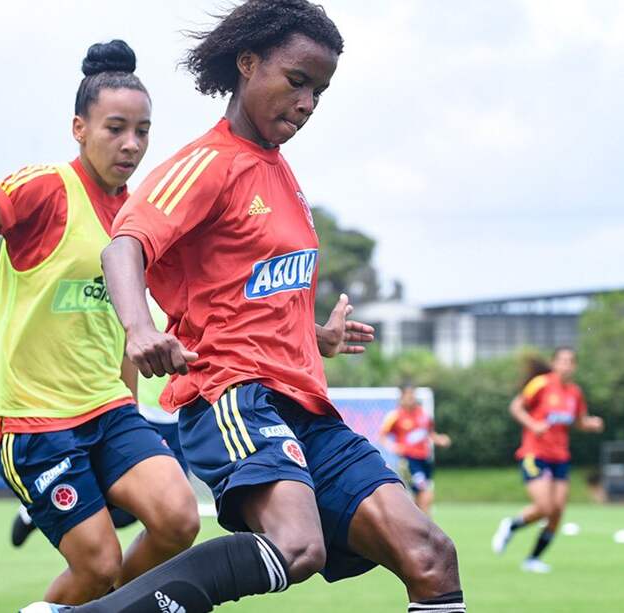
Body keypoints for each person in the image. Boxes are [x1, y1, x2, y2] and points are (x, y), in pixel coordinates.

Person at [34, 3, 465, 612]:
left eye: (319, 92)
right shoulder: (208, 163)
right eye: (297, 81)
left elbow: (247, 296)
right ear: (247, 63)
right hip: (234, 394)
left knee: (430, 555)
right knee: (296, 545)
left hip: (307, 405)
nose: (307, 103)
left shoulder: (282, 177)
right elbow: (123, 247)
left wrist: (315, 335)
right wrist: (138, 328)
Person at [0, 40, 200, 605]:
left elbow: (125, 323)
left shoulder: (139, 217)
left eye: (143, 131)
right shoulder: (45, 188)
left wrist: (129, 399)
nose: (131, 143)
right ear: (79, 128)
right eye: (115, 128)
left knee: (178, 519)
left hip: (109, 408)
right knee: (96, 565)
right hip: (33, 418)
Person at [11, 295, 187, 548]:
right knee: (135, 506)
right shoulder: (139, 305)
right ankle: (51, 511)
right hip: (146, 414)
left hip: (179, 417)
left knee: (169, 507)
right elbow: (124, 353)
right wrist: (132, 411)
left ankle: (67, 515)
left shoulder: (188, 300)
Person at [492, 347, 604, 573]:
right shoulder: (541, 384)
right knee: (544, 507)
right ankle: (511, 525)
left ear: (575, 366)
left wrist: (591, 424)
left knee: (557, 511)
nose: (566, 365)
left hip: (560, 456)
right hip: (534, 453)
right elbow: (516, 407)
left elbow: (579, 421)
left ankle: (532, 559)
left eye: (570, 361)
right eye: (562, 360)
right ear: (554, 363)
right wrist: (533, 425)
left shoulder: (574, 392)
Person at [379, 385, 451, 515]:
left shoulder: (423, 415)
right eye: (408, 396)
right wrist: (393, 446)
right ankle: (426, 522)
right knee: (425, 492)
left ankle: (418, 521)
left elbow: (430, 434)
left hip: (425, 459)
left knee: (419, 496)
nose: (411, 398)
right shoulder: (395, 416)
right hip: (409, 460)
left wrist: (440, 439)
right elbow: (382, 436)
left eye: (412, 395)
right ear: (402, 398)